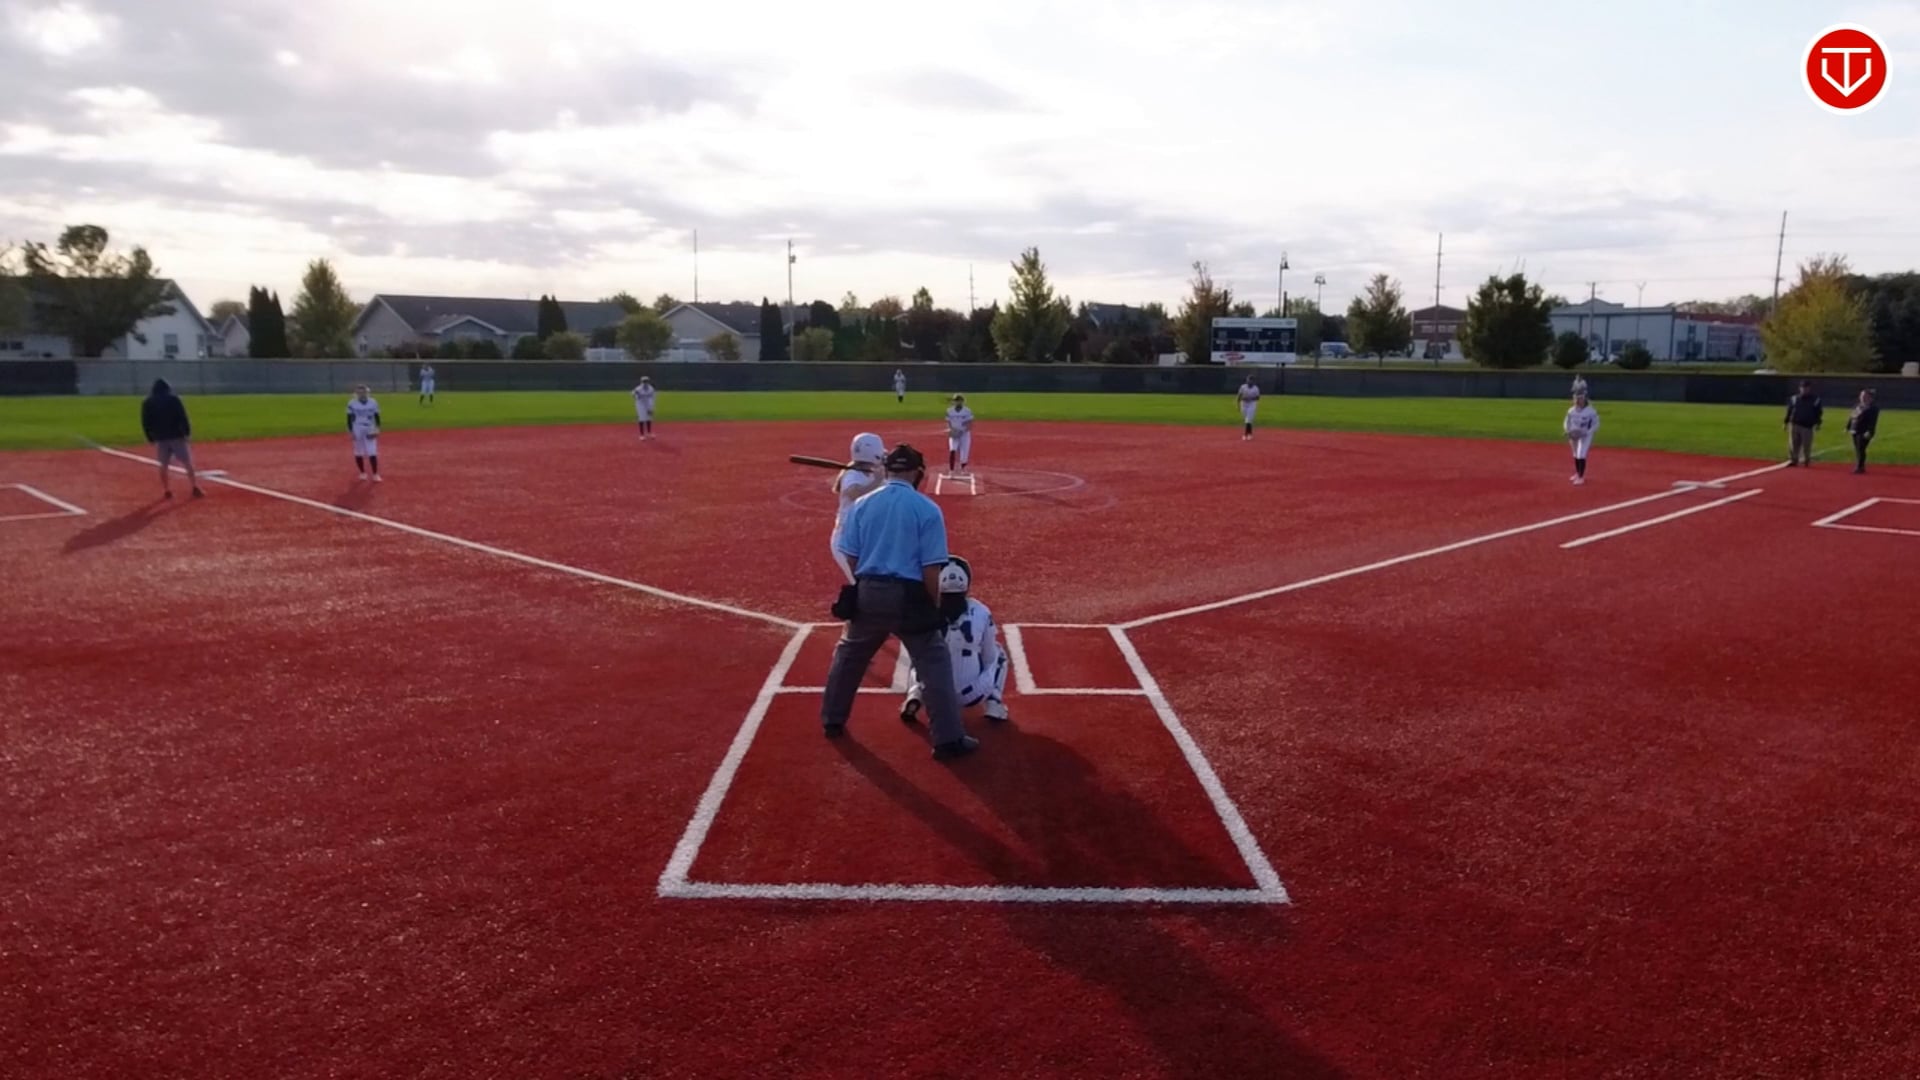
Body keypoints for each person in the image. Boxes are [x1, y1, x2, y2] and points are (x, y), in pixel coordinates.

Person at [821, 443, 977, 760]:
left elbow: (850, 555)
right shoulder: (927, 509)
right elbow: (931, 568)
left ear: (888, 469)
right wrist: (933, 606)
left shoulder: (863, 504)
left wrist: (866, 584)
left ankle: (832, 720)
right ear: (917, 473)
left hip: (868, 591)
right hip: (909, 596)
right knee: (933, 662)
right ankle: (948, 739)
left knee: (849, 655)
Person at [901, 555, 1009, 726]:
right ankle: (994, 703)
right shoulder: (981, 611)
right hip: (972, 694)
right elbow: (989, 654)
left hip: (934, 694)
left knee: (918, 655)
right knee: (999, 654)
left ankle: (915, 694)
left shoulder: (926, 609)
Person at [830, 432, 887, 584]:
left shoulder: (873, 474)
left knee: (871, 583)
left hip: (864, 539)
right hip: (845, 542)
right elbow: (854, 493)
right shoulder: (852, 475)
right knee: (861, 584)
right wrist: (877, 482)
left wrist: (882, 477)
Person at [140, 378, 204, 500]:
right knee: (187, 462)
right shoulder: (174, 399)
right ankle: (194, 486)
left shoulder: (148, 402)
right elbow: (182, 417)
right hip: (176, 436)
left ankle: (167, 490)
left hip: (160, 437)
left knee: (163, 465)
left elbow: (145, 422)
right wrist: (187, 432)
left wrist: (149, 437)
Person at [346, 385, 382, 482]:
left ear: (367, 392)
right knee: (358, 451)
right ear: (356, 393)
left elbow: (377, 416)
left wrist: (377, 428)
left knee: (372, 451)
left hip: (370, 427)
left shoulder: (373, 402)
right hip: (357, 427)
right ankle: (362, 473)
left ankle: (375, 474)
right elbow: (349, 418)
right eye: (359, 392)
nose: (362, 394)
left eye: (363, 392)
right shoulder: (352, 403)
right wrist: (351, 431)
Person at [1784, 379, 1823, 467]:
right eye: (1803, 387)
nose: (1804, 389)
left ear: (1809, 388)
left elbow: (1818, 413)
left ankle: (1806, 460)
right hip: (1795, 424)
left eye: (1806, 387)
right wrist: (1786, 422)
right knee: (1793, 444)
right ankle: (1793, 459)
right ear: (1800, 388)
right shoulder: (1794, 398)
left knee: (1806, 445)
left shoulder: (1815, 399)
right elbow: (1789, 411)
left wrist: (1818, 423)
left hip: (1807, 426)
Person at [1564, 388, 1599, 484]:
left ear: (1584, 399)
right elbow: (1566, 422)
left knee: (1581, 454)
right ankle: (1578, 473)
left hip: (1585, 435)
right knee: (1575, 453)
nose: (1577, 400)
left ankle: (1581, 477)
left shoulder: (1591, 411)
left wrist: (1588, 432)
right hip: (1574, 434)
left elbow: (1596, 424)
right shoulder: (1571, 411)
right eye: (1575, 398)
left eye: (1579, 398)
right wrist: (1567, 430)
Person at [1846, 388, 1880, 474]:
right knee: (1857, 448)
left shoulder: (1873, 408)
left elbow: (1873, 421)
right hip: (1855, 429)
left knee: (1861, 448)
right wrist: (1848, 427)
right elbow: (1852, 417)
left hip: (1864, 431)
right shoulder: (1857, 406)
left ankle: (1860, 467)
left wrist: (1869, 431)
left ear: (1869, 397)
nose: (1862, 397)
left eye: (1864, 395)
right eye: (1861, 395)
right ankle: (1860, 465)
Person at [945, 394, 974, 474]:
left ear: (962, 401)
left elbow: (970, 423)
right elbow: (948, 422)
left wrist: (963, 431)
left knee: (964, 452)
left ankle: (963, 468)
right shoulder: (949, 411)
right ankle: (951, 470)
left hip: (964, 434)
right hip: (954, 434)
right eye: (956, 400)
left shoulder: (967, 411)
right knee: (952, 450)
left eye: (959, 400)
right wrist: (951, 429)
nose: (958, 402)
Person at [1237, 375, 1260, 441]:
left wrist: (1250, 398)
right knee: (1247, 420)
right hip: (1243, 404)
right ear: (1247, 380)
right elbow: (1239, 396)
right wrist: (1238, 405)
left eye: (1251, 380)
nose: (1249, 381)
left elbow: (1258, 397)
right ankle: (1250, 434)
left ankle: (1245, 435)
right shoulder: (1243, 387)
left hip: (1252, 404)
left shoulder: (1256, 388)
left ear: (1253, 381)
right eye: (1248, 380)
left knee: (1248, 419)